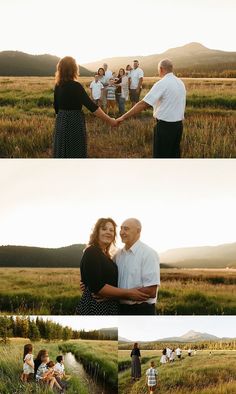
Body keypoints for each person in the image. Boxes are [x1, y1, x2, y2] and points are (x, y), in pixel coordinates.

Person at [77, 218, 149, 315]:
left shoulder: (106, 255)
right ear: (96, 232)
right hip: (97, 305)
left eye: (111, 230)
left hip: (109, 303)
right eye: (104, 229)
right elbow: (97, 287)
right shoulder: (92, 251)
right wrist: (129, 293)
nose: (108, 232)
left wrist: (110, 295)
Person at [117, 59, 186, 158]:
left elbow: (142, 104)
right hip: (178, 126)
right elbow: (169, 101)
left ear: (161, 69)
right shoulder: (180, 83)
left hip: (165, 128)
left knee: (160, 158)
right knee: (174, 156)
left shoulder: (162, 83)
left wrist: (122, 117)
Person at [53, 56, 116, 158]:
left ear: (60, 69)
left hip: (61, 121)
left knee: (62, 150)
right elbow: (92, 107)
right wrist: (110, 120)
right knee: (75, 151)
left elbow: (56, 107)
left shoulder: (57, 85)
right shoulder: (76, 86)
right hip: (74, 121)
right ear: (74, 69)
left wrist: (61, 121)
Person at [115, 218, 160, 315]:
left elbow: (151, 291)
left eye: (126, 229)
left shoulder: (148, 254)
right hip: (119, 310)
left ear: (138, 231)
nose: (122, 232)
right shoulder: (117, 255)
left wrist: (115, 294)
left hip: (141, 311)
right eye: (121, 229)